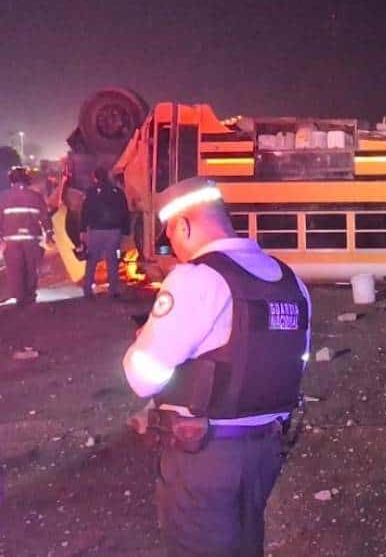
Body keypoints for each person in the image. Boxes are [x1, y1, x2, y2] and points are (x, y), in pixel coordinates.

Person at [121, 177, 311, 556]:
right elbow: (295, 360)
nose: (173, 249)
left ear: (184, 226)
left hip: (205, 457)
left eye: (170, 237)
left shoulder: (197, 278)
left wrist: (145, 339)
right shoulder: (291, 282)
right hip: (265, 451)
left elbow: (143, 377)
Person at [0, 167, 51, 305]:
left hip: (11, 241)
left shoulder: (4, 197)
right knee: (31, 269)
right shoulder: (35, 197)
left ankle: (20, 298)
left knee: (15, 270)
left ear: (11, 180)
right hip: (31, 240)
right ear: (27, 180)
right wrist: (49, 233)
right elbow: (45, 217)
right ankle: (30, 297)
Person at [81, 167, 130, 298]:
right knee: (112, 259)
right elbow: (125, 211)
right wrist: (126, 231)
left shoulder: (91, 192)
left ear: (95, 177)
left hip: (96, 231)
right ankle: (113, 289)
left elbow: (85, 211)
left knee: (92, 260)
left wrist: (82, 230)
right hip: (114, 231)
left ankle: (87, 289)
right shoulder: (117, 191)